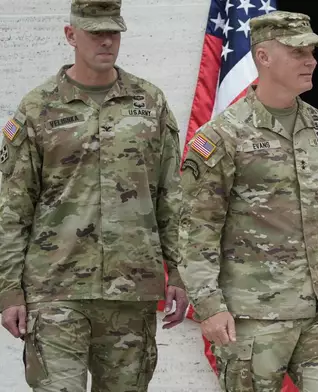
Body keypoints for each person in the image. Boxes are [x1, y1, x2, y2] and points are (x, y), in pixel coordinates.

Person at [0, 1, 188, 391]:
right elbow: (12, 205)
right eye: (95, 32)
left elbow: (173, 196)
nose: (106, 41)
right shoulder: (38, 108)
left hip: (131, 290)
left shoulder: (149, 103)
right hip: (55, 288)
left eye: (113, 32)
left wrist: (181, 273)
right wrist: (8, 289)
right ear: (71, 36)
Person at [178, 10, 318, 392]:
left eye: (312, 51)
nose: (311, 60)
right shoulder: (222, 135)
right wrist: (210, 306)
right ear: (263, 57)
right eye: (298, 52)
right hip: (253, 316)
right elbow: (197, 231)